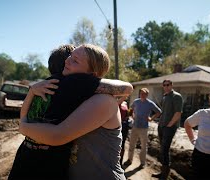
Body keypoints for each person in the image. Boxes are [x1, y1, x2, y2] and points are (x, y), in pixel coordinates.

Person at [10, 44, 132, 179]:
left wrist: (23, 126)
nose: (67, 61)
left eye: (75, 60)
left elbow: (57, 135)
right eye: (70, 57)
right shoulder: (73, 95)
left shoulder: (103, 100)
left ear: (92, 75)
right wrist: (32, 90)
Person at [123, 88, 161, 169]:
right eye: (141, 93)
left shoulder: (150, 103)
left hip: (144, 128)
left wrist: (151, 119)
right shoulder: (136, 101)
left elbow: (159, 112)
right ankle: (129, 160)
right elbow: (131, 109)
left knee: (143, 146)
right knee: (131, 144)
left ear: (147, 95)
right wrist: (132, 115)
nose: (142, 95)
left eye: (144, 94)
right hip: (135, 126)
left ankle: (142, 163)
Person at [152, 79, 183, 179]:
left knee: (165, 149)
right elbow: (164, 112)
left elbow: (178, 113)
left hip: (169, 127)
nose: (166, 87)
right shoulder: (165, 97)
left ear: (171, 85)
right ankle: (162, 172)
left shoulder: (176, 96)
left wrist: (170, 124)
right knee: (162, 150)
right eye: (164, 85)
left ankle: (165, 175)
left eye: (168, 85)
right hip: (161, 126)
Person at [118, 97, 130, 165]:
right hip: (116, 126)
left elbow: (126, 115)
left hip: (124, 126)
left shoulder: (125, 103)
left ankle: (120, 162)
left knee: (122, 144)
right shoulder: (116, 101)